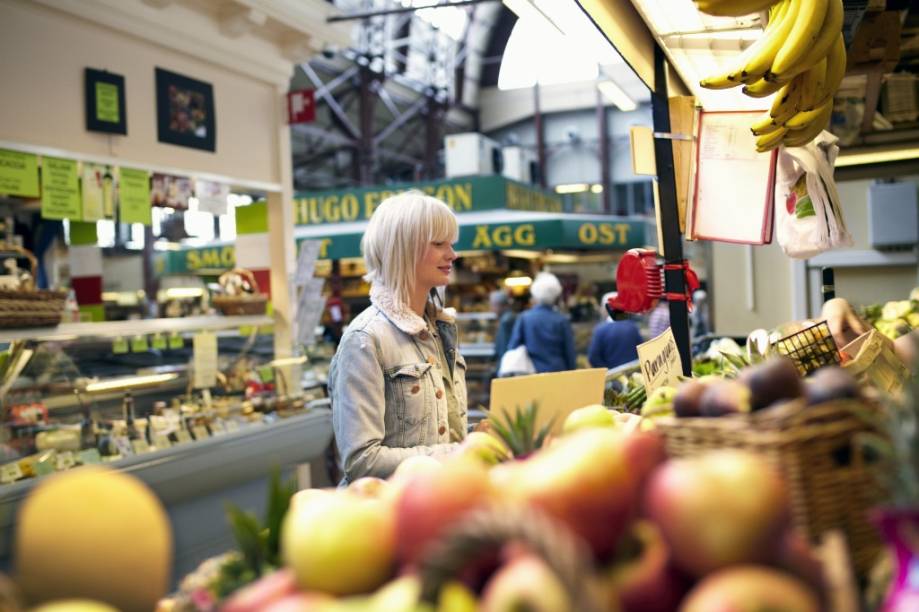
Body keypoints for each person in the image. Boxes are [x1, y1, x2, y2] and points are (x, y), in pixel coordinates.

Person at [328, 191, 467, 484]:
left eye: (451, 244)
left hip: (436, 505)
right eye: (439, 243)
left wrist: (477, 438)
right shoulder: (365, 339)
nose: (452, 255)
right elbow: (361, 461)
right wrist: (459, 454)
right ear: (405, 249)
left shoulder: (441, 329)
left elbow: (436, 431)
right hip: (388, 517)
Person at [507, 272, 576, 373]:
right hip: (559, 372)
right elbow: (569, 352)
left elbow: (513, 346)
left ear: (534, 294)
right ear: (556, 295)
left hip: (532, 372)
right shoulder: (562, 320)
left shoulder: (525, 318)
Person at [588, 292, 643, 369]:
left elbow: (593, 358)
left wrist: (607, 372)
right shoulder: (632, 327)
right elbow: (642, 352)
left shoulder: (600, 330)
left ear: (605, 309)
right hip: (632, 375)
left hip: (611, 377)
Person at [490, 288, 517, 363]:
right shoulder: (508, 317)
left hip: (506, 362)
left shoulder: (506, 320)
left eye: (493, 305)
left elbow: (503, 346)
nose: (492, 309)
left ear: (501, 305)